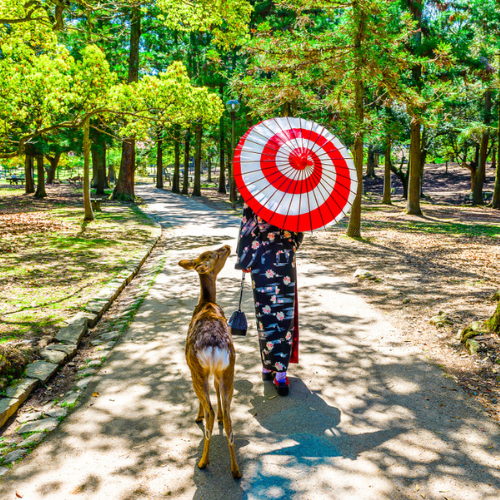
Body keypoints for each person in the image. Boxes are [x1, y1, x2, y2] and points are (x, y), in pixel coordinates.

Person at [235, 204, 303, 396]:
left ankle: (267, 367)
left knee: (265, 314)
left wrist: (244, 260)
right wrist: (289, 245)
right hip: (285, 261)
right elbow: (299, 232)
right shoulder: (295, 198)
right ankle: (281, 375)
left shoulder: (255, 195)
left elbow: (247, 229)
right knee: (284, 315)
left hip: (262, 260)